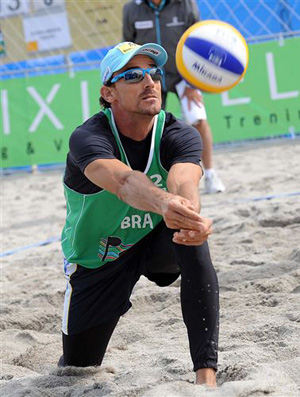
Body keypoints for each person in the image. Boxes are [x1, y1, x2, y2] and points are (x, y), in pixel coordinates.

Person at [60, 41, 219, 387]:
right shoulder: (87, 137)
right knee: (76, 370)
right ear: (109, 92)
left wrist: (190, 214)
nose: (149, 81)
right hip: (99, 258)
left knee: (190, 234)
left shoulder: (179, 133)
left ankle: (206, 376)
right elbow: (124, 182)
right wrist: (165, 204)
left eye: (154, 73)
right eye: (133, 75)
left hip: (156, 242)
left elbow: (185, 180)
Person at [123, 0, 225, 194]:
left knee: (198, 118)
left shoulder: (185, 4)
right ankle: (153, 179)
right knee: (148, 128)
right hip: (150, 76)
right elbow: (127, 47)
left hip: (184, 74)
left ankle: (210, 174)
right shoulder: (131, 8)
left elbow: (200, 41)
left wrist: (193, 83)